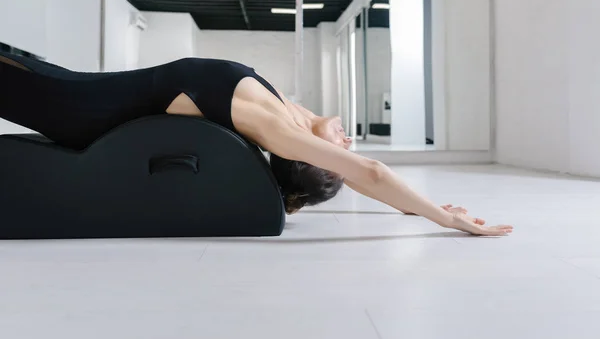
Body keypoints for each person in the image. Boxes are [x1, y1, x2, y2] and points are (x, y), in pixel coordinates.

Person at [0, 53, 512, 236]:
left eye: (339, 152)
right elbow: (364, 175)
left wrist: (442, 218)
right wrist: (413, 209)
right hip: (70, 89)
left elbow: (369, 173)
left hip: (69, 107)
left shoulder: (278, 129)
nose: (347, 140)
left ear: (306, 158)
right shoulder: (288, 111)